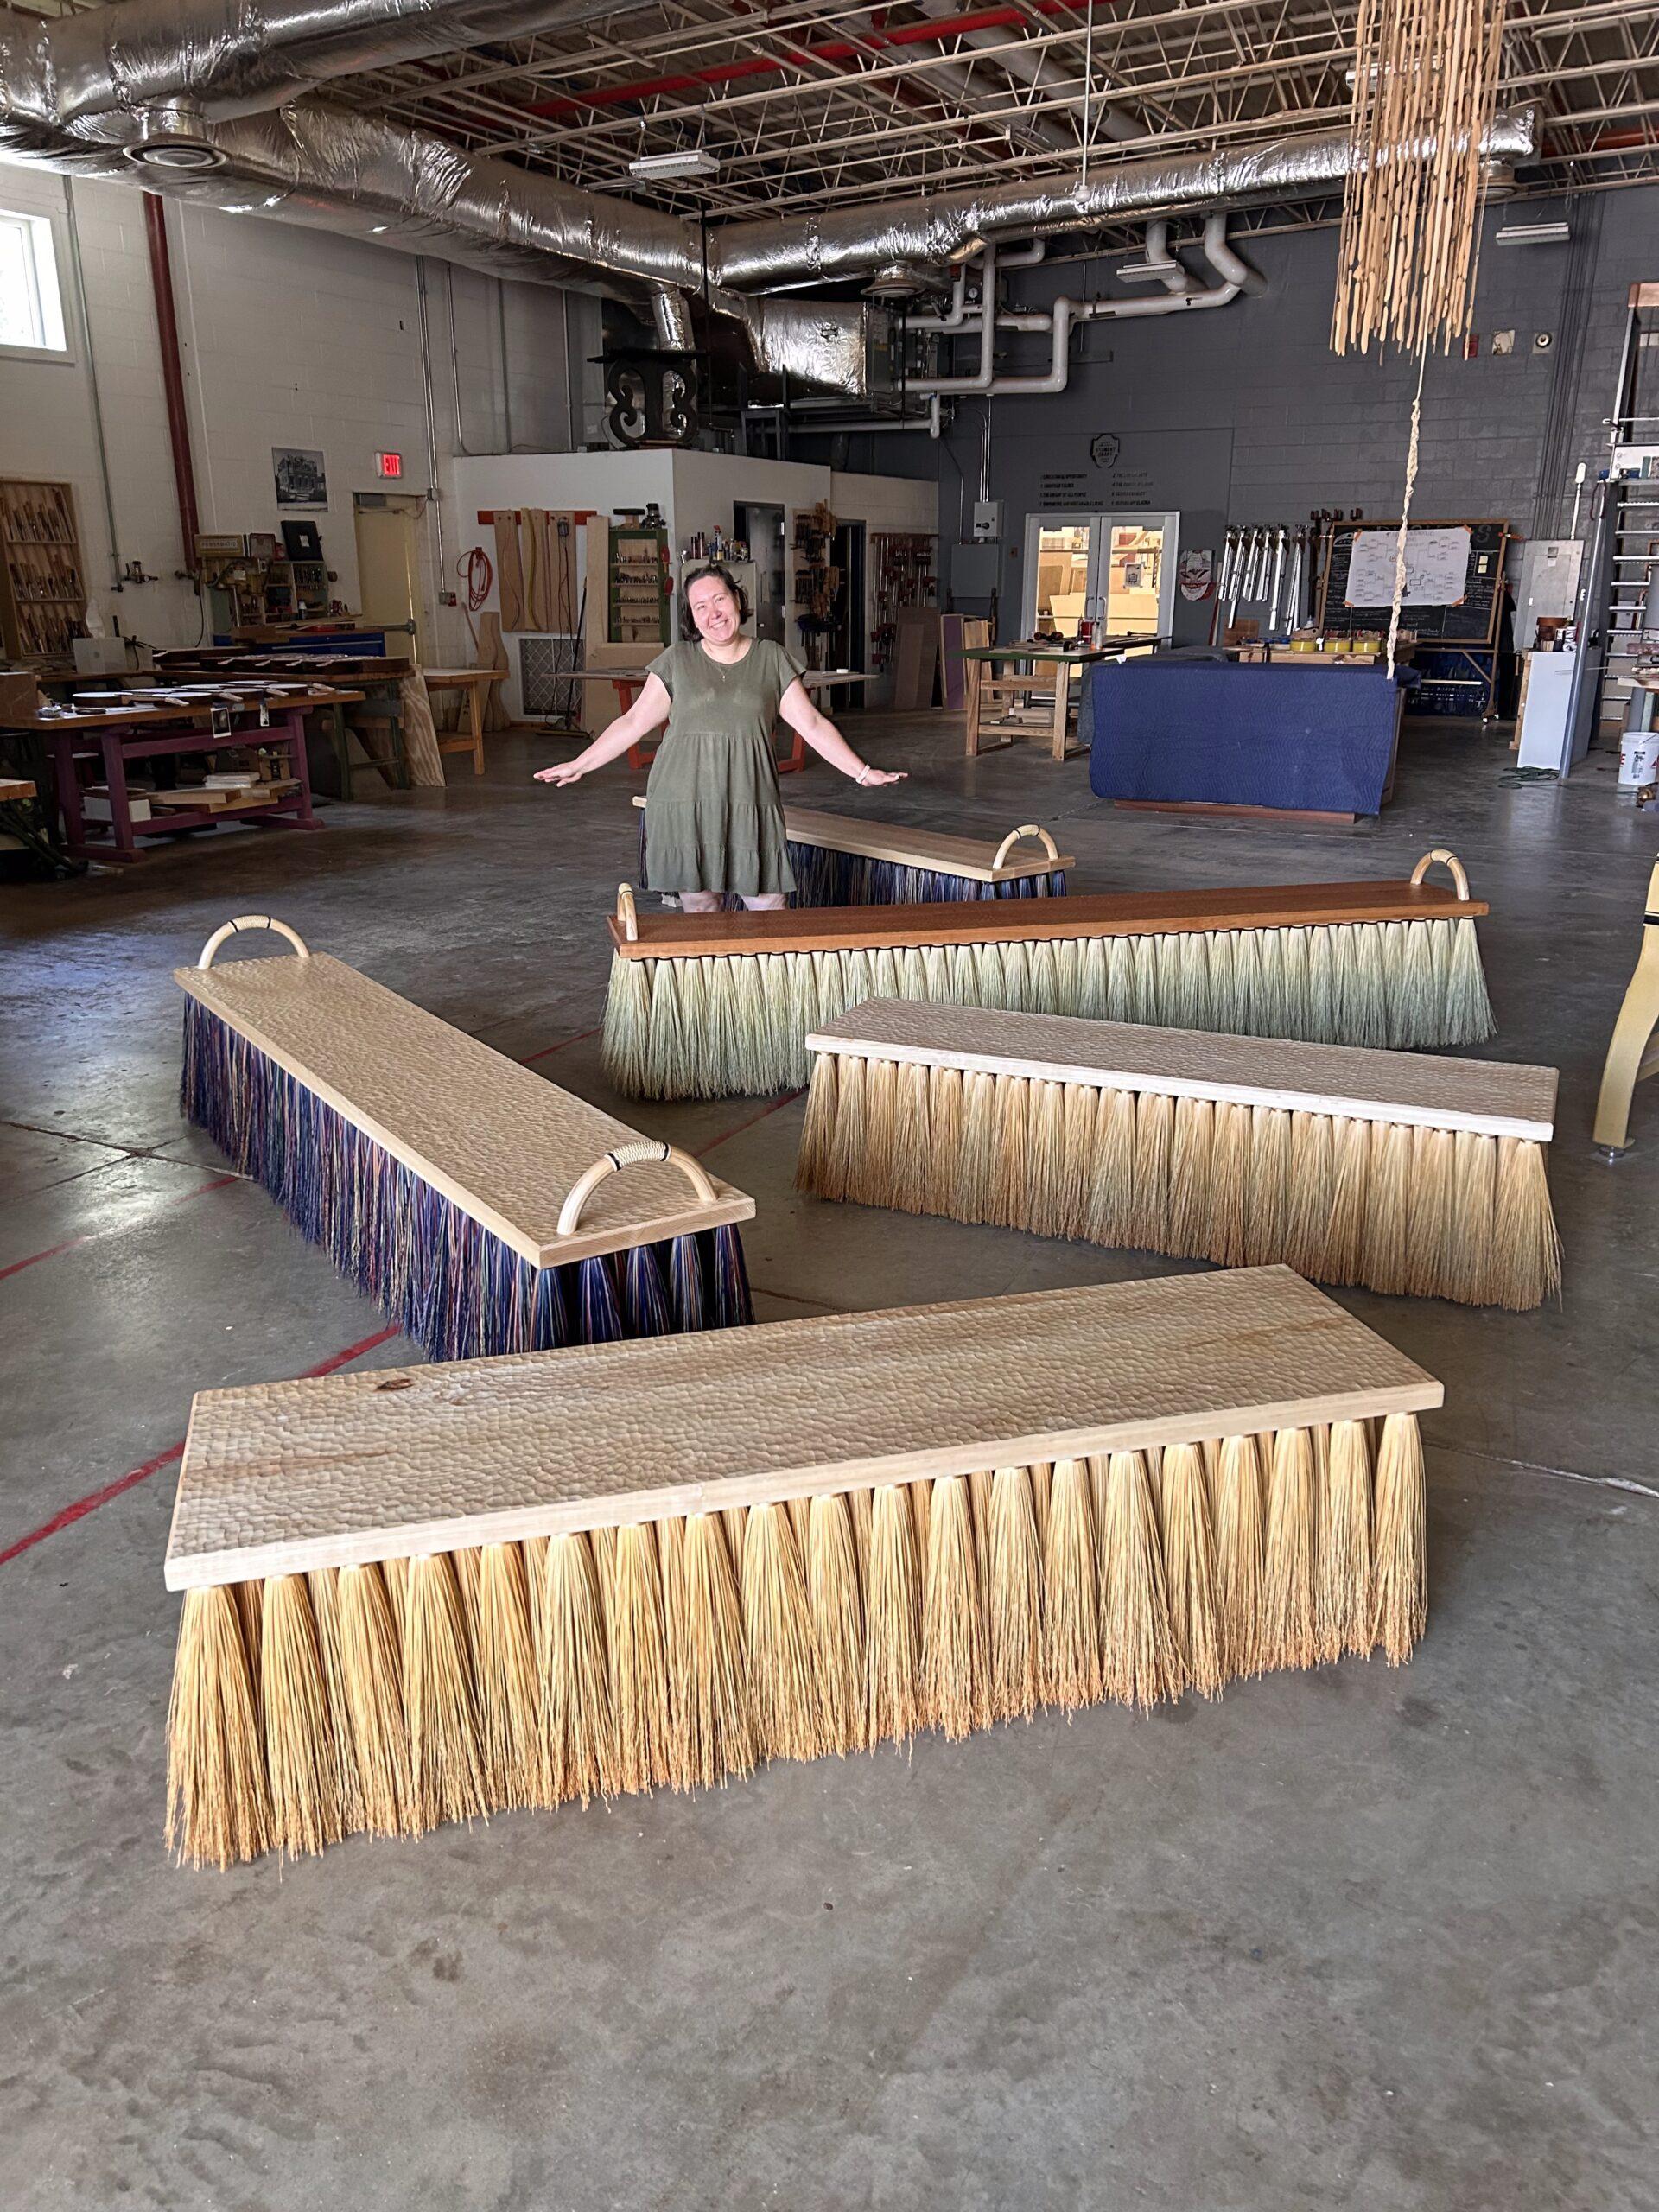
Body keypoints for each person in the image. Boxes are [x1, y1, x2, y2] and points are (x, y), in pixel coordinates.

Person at [535, 563, 904, 911]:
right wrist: (579, 764)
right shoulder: (677, 660)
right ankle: (712, 981)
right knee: (700, 906)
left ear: (738, 600)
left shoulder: (770, 658)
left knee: (769, 905)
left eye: (719, 600)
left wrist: (862, 771)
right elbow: (632, 723)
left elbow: (812, 724)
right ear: (692, 618)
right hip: (685, 801)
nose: (713, 613)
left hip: (749, 800)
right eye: (700, 607)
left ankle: (768, 982)